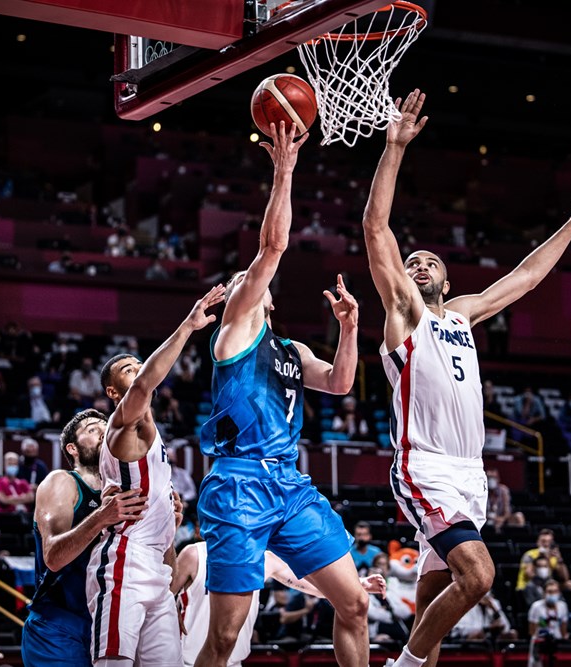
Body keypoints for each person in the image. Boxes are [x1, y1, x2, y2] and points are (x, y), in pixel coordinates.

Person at [361, 89, 571, 667]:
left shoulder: (463, 313)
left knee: (433, 603)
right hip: (426, 465)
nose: (419, 264)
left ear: (447, 284)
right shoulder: (404, 312)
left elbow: (525, 277)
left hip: (471, 474)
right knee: (479, 578)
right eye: (412, 262)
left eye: (431, 262)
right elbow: (375, 227)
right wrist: (395, 148)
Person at [196, 122, 368, 667]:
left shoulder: (291, 349)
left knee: (356, 603)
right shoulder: (235, 330)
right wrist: (285, 170)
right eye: (245, 278)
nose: (251, 280)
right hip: (239, 485)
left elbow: (340, 383)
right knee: (225, 637)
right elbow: (272, 246)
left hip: (290, 485)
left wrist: (349, 329)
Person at [88, 284, 225, 666]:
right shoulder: (121, 426)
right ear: (113, 392)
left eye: (139, 363)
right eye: (128, 369)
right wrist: (188, 325)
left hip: (157, 567)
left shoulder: (154, 437)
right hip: (124, 562)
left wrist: (167, 513)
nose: (138, 370)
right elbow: (146, 383)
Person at [21, 409, 152, 667]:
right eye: (92, 429)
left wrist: (169, 527)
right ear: (73, 448)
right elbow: (53, 557)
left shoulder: (127, 492)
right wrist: (102, 517)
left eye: (106, 428)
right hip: (58, 623)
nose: (103, 433)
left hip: (110, 622)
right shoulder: (62, 482)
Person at [174, 540, 386, 667]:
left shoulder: (264, 558)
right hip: (186, 660)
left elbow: (314, 587)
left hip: (234, 661)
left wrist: (357, 585)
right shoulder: (194, 554)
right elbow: (163, 598)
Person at [485, 469, 525, 534]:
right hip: (485, 519)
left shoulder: (503, 490)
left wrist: (501, 519)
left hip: (501, 519)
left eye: (493, 478)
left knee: (519, 516)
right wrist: (490, 518)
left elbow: (507, 512)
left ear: (498, 479)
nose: (491, 480)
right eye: (489, 478)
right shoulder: (482, 491)